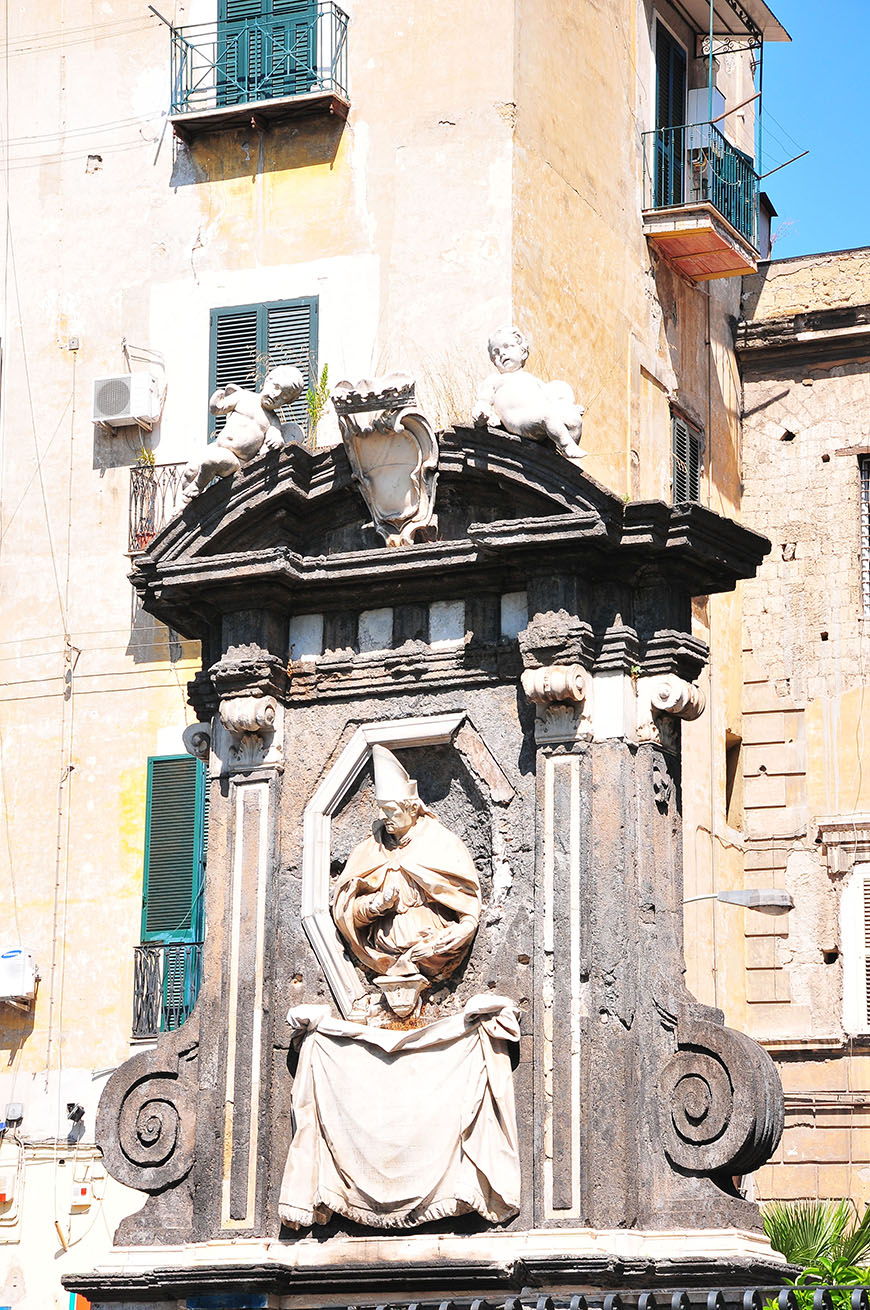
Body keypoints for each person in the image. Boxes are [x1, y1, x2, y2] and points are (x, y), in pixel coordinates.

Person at [332, 746, 481, 985]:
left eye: (390, 810)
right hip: (383, 955)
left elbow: (467, 903)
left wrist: (464, 928)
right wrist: (375, 905)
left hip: (435, 950)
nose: (384, 816)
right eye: (381, 809)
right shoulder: (368, 851)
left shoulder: (441, 843)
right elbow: (346, 914)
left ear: (412, 808)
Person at [180, 364, 304, 502]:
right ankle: (187, 504)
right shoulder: (243, 396)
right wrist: (215, 404)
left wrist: (277, 441)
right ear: (268, 380)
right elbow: (219, 408)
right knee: (189, 471)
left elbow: (275, 436)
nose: (276, 395)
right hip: (216, 446)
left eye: (284, 396)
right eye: (276, 387)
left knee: (212, 461)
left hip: (236, 459)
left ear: (286, 402)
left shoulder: (273, 420)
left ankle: (197, 486)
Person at [472, 324, 586, 463]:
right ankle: (567, 446)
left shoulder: (532, 380)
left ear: (523, 352)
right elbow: (483, 400)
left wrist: (566, 406)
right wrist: (482, 413)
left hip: (538, 415)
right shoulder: (496, 379)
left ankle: (567, 460)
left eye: (507, 347)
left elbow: (549, 398)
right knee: (547, 415)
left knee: (573, 418)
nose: (501, 353)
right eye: (496, 352)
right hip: (517, 419)